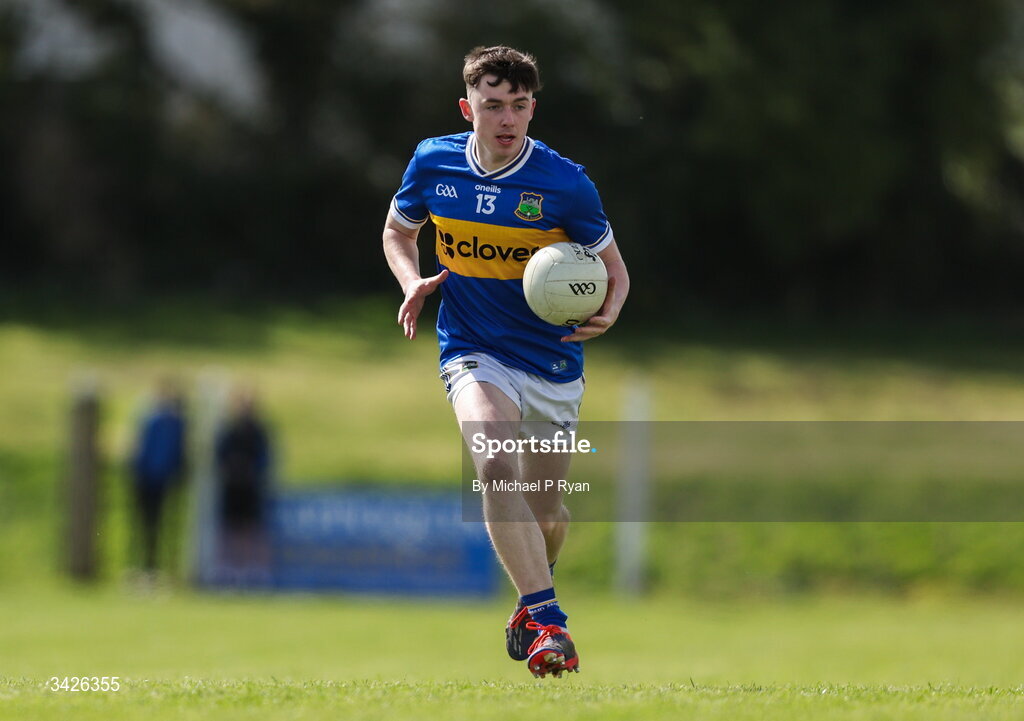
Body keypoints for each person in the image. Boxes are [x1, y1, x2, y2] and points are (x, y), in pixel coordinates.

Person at [382, 45, 629, 679]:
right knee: (494, 461)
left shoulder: (564, 182)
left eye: (519, 105)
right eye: (493, 105)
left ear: (532, 109)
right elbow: (398, 231)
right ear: (468, 108)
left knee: (547, 512)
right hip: (472, 346)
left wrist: (611, 309)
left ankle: (530, 596)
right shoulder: (433, 162)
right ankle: (549, 619)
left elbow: (614, 271)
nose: (507, 118)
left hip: (551, 364)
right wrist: (411, 279)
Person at [215, 386, 273, 581]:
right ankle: (229, 570)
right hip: (232, 485)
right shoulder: (230, 430)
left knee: (252, 528)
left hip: (251, 486)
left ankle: (254, 570)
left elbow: (265, 458)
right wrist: (231, 468)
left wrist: (251, 470)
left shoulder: (259, 431)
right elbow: (219, 455)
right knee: (229, 528)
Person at [130, 378, 187, 576]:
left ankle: (157, 568)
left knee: (161, 527)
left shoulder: (174, 422)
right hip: (147, 480)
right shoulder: (152, 419)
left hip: (163, 481)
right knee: (145, 525)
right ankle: (144, 566)